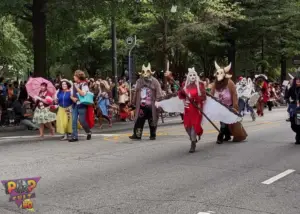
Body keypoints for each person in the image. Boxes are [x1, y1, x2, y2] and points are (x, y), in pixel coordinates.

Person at [211, 61, 247, 144]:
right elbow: (212, 95)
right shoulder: (215, 84)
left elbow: (234, 95)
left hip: (229, 106)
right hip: (219, 107)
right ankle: (225, 135)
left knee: (227, 122)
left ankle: (220, 136)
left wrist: (235, 106)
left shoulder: (230, 83)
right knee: (223, 122)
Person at [129, 63, 163, 140]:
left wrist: (158, 101)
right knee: (139, 121)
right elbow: (136, 92)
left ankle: (153, 135)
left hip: (152, 105)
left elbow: (159, 92)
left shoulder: (155, 81)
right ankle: (137, 135)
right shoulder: (139, 81)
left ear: (150, 72)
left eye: (147, 72)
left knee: (152, 120)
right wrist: (133, 102)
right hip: (141, 105)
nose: (145, 74)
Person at [178, 68, 206, 153]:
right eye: (191, 75)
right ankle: (193, 138)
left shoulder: (200, 85)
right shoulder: (184, 85)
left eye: (194, 75)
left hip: (196, 109)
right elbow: (181, 95)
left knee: (194, 127)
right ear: (188, 77)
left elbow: (203, 97)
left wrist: (196, 99)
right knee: (187, 127)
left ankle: (193, 143)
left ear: (196, 76)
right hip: (187, 109)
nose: (192, 76)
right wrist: (184, 99)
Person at [69, 70, 92, 142]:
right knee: (74, 120)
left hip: (82, 105)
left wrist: (77, 88)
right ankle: (75, 136)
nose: (73, 77)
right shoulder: (73, 84)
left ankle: (88, 131)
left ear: (78, 77)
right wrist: (73, 98)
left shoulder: (84, 84)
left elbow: (83, 94)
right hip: (75, 104)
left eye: (75, 76)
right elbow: (71, 95)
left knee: (82, 121)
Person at [285, 75, 300, 144]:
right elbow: (286, 96)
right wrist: (287, 100)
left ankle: (298, 137)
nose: (298, 80)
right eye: (297, 79)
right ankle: (298, 134)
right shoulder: (291, 88)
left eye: (299, 79)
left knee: (298, 122)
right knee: (293, 124)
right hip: (293, 106)